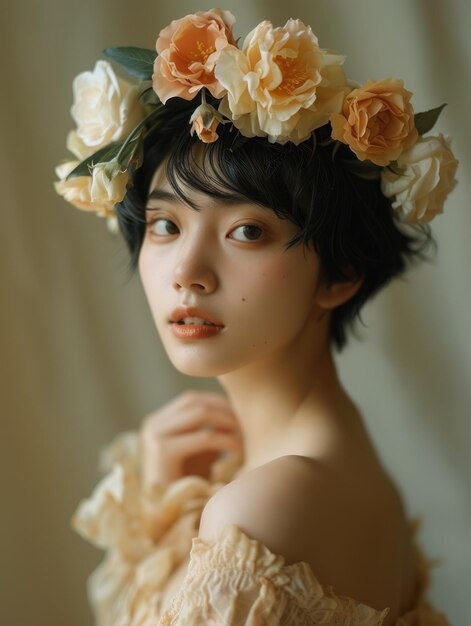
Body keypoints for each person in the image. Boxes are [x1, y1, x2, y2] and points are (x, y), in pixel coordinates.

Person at [55, 9, 458, 625]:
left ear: (339, 273)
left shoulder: (268, 507)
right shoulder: (329, 468)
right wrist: (164, 515)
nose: (187, 270)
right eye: (166, 225)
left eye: (247, 230)